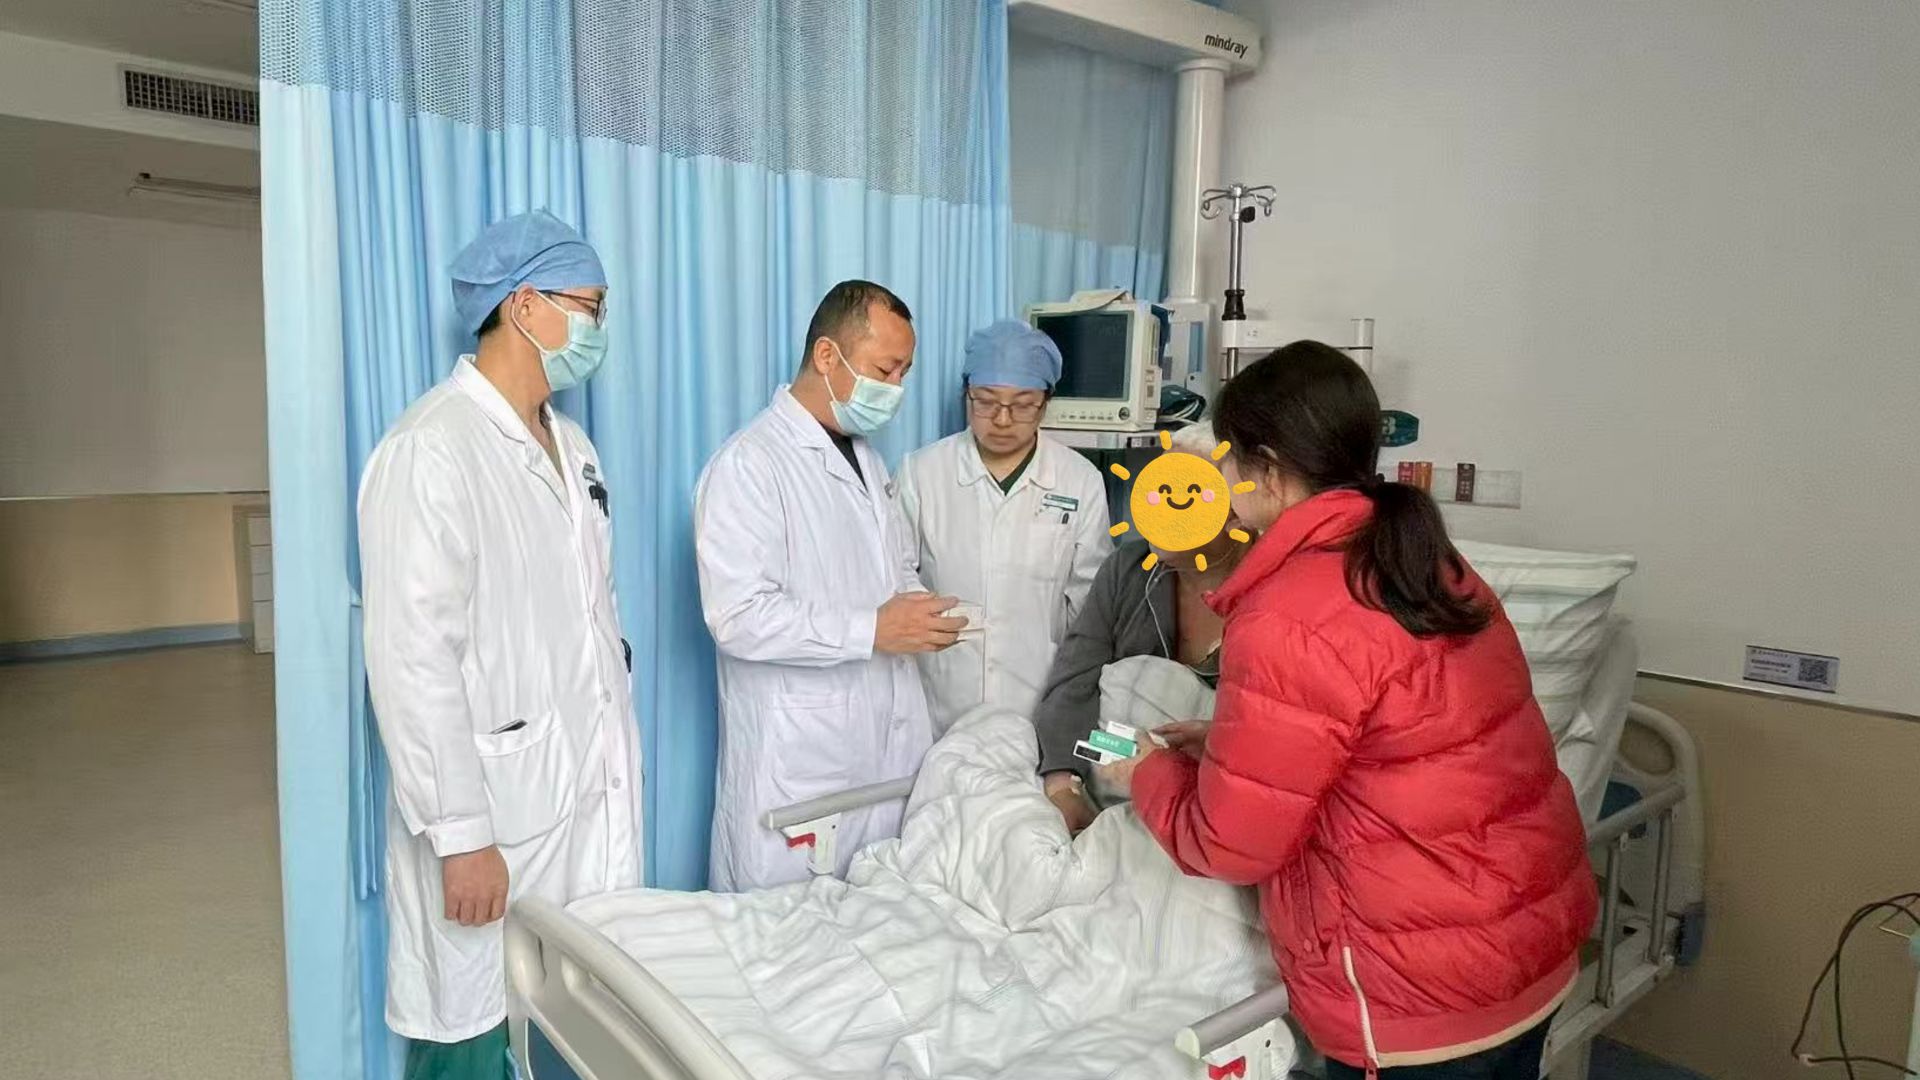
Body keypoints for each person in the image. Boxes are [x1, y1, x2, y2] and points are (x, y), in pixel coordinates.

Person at [1108, 341, 1595, 1080]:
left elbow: (1228, 846)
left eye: (1231, 458)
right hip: (1524, 952)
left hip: (1420, 995)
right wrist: (1235, 743)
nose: (1223, 478)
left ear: (1270, 469)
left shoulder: (1287, 610)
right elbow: (1406, 734)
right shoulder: (1429, 562)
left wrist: (1146, 770)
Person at [358, 210, 644, 1078]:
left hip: (583, 780)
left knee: (577, 1020)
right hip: (492, 808)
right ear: (524, 306)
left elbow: (590, 607)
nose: (600, 327)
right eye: (589, 307)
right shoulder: (430, 449)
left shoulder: (574, 446)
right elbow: (412, 659)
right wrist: (460, 836)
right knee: (478, 1029)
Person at [695, 280, 964, 892]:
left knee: (875, 920)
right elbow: (737, 616)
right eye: (886, 370)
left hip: (880, 758)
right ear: (826, 355)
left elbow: (893, 569)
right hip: (800, 765)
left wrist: (922, 613)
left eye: (904, 374)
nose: (896, 388)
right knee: (779, 934)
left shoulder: (866, 459)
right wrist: (872, 629)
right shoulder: (749, 465)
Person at [897, 320, 1112, 734]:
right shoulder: (921, 473)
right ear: (967, 395)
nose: (1002, 419)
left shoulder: (1079, 480)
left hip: (1036, 702)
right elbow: (897, 578)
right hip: (937, 704)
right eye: (986, 402)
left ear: (1045, 404)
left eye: (1022, 404)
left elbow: (1088, 605)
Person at [1028, 422, 1244, 834]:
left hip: (1213, 800)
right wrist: (1063, 785)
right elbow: (1074, 682)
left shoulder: (1271, 590)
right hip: (1113, 780)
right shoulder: (1128, 570)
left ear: (1236, 511)